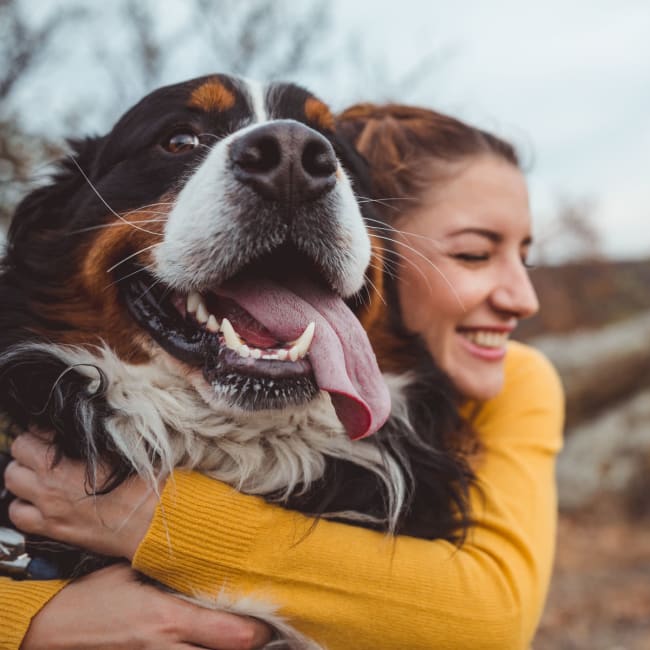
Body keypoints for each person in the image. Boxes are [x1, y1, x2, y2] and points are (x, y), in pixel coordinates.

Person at [1, 104, 564, 650]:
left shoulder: (517, 380)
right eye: (472, 254)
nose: (524, 299)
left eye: (525, 257)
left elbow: (492, 617)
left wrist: (152, 520)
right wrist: (28, 619)